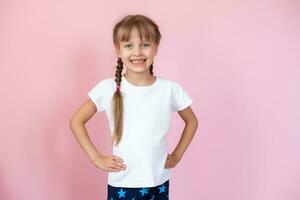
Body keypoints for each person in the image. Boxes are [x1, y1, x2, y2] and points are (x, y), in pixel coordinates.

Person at [70, 14, 198, 200]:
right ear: (118, 50)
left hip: (158, 181)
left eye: (145, 45)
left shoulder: (169, 89)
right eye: (129, 45)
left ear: (156, 48)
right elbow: (76, 121)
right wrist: (96, 158)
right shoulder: (107, 88)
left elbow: (192, 121)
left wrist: (177, 155)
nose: (137, 52)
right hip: (123, 183)